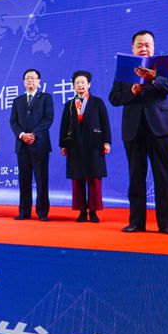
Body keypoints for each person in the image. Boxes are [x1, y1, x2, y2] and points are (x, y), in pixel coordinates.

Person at [108, 30, 168, 235]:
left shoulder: (163, 66)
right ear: (133, 48)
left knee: (162, 177)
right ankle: (136, 222)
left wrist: (154, 77)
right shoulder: (124, 69)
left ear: (153, 47)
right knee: (136, 176)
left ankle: (166, 224)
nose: (144, 48)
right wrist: (131, 92)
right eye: (139, 45)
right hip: (133, 129)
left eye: (147, 44)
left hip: (161, 128)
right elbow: (114, 98)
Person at [59, 70, 112, 223]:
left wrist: (106, 142)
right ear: (73, 86)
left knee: (94, 178)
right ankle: (82, 211)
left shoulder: (97, 102)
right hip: (75, 146)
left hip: (94, 145)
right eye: (77, 83)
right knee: (78, 179)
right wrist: (63, 144)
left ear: (89, 84)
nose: (80, 85)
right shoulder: (69, 105)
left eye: (83, 82)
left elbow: (105, 123)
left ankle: (93, 212)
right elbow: (64, 126)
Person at [9, 68, 54, 221]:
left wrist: (33, 134)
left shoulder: (46, 98)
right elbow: (13, 122)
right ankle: (24, 211)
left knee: (41, 179)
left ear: (39, 81)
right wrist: (22, 135)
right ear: (23, 82)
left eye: (33, 78)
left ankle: (42, 211)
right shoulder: (18, 100)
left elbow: (48, 119)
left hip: (40, 144)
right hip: (22, 145)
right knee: (24, 180)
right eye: (27, 78)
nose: (30, 81)